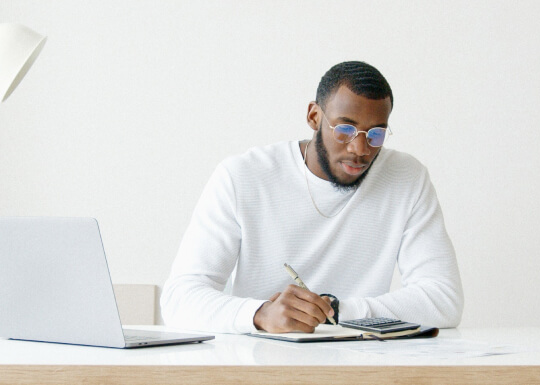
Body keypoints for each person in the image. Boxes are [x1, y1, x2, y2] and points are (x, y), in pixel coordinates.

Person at [160, 61, 464, 334]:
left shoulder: (406, 177)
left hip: (362, 363)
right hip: (258, 364)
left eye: (375, 135)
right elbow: (179, 299)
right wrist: (260, 314)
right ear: (314, 116)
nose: (360, 149)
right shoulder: (242, 176)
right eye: (345, 129)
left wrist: (334, 310)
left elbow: (444, 299)